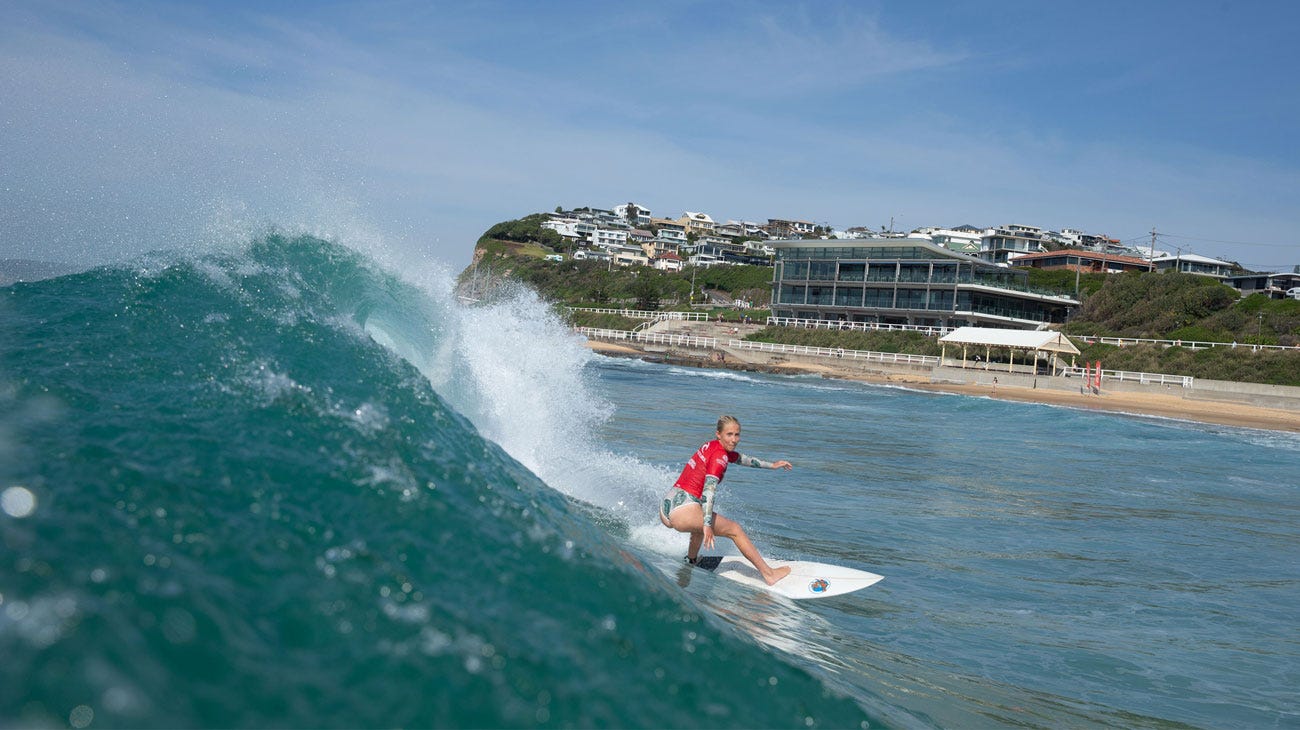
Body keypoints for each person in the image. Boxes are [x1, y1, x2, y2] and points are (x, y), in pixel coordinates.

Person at [659, 415, 793, 585]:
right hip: (683, 511)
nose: (734, 439)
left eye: (737, 435)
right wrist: (707, 525)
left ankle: (691, 560)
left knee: (698, 519)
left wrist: (772, 465)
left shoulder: (712, 446)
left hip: (669, 505)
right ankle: (769, 574)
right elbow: (709, 491)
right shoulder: (719, 458)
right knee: (734, 529)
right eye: (729, 434)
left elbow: (740, 459)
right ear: (719, 434)